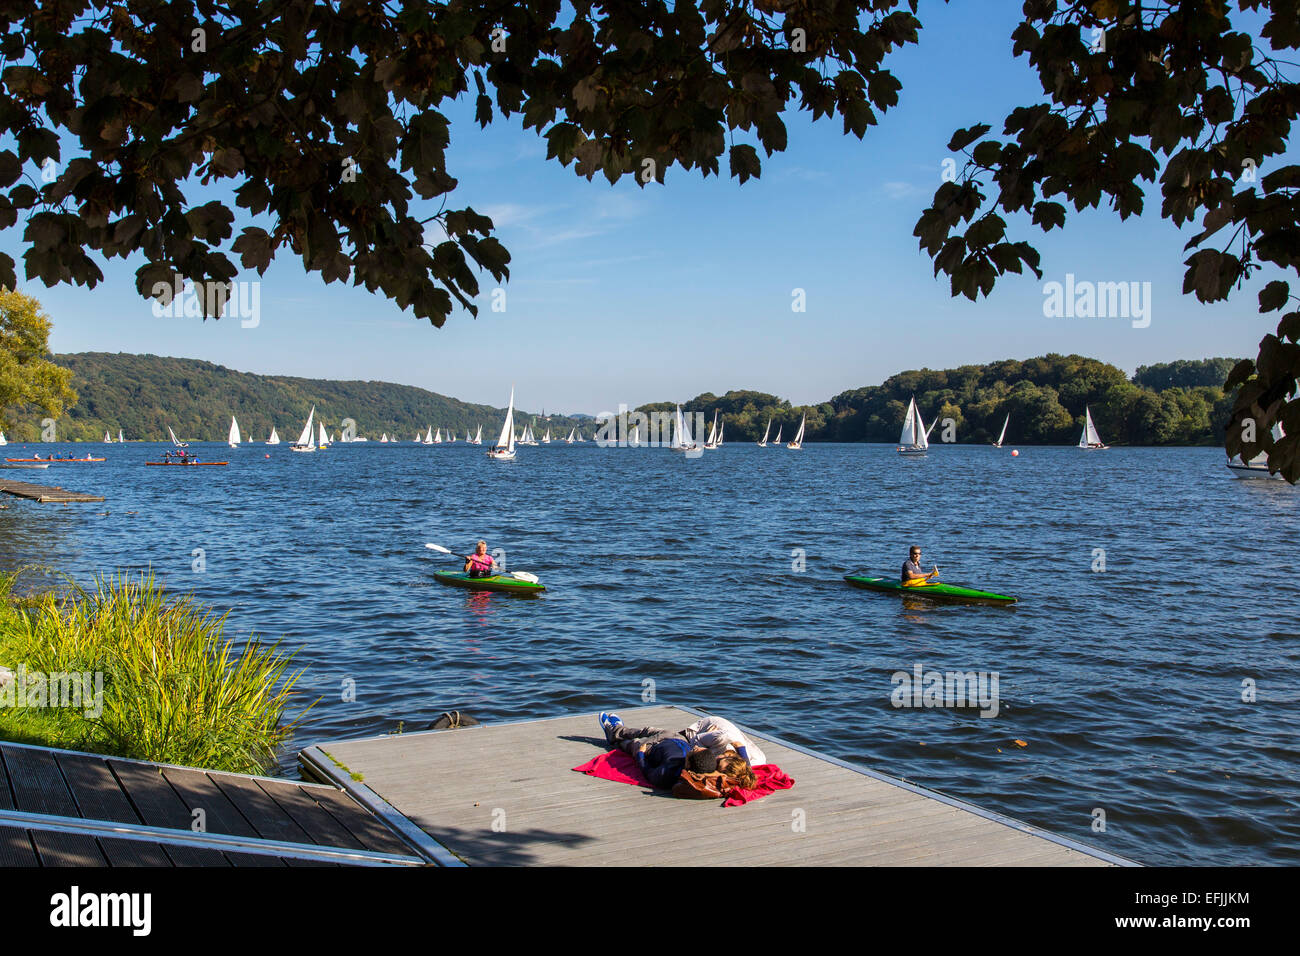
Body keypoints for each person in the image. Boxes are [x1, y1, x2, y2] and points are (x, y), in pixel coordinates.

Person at [598, 712, 758, 791]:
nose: (720, 756)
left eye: (719, 759)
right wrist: (741, 751)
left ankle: (614, 732)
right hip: (675, 738)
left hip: (652, 749)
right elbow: (747, 770)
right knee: (646, 730)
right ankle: (619, 729)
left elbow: (648, 772)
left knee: (631, 743)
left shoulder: (672, 771)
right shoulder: (710, 764)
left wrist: (641, 753)